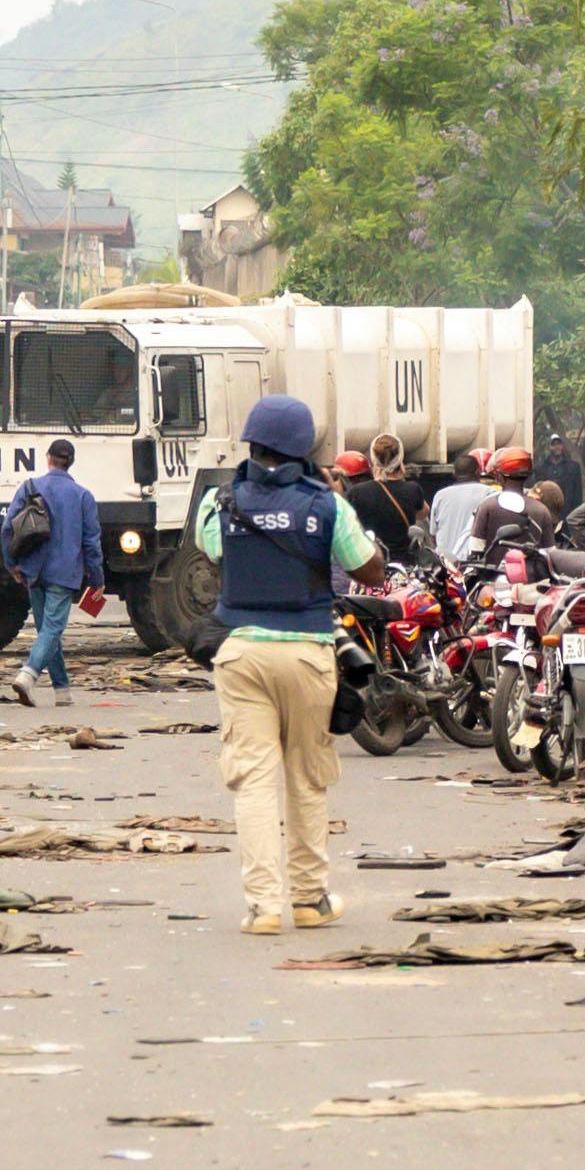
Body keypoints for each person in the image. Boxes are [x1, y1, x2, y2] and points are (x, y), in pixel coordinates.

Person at [187, 390, 378, 932]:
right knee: (307, 780)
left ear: (251, 442)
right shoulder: (327, 505)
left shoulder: (219, 503)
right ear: (303, 450)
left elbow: (214, 552)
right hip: (308, 652)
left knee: (252, 781)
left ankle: (263, 907)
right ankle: (309, 900)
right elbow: (366, 570)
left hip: (241, 652)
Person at [9, 437, 105, 700]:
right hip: (65, 571)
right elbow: (91, 542)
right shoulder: (83, 495)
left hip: (33, 569)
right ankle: (28, 674)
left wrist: (12, 564)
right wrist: (96, 578)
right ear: (71, 463)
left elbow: (8, 527)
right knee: (51, 630)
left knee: (46, 631)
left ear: (48, 458)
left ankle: (62, 691)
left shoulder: (29, 487)